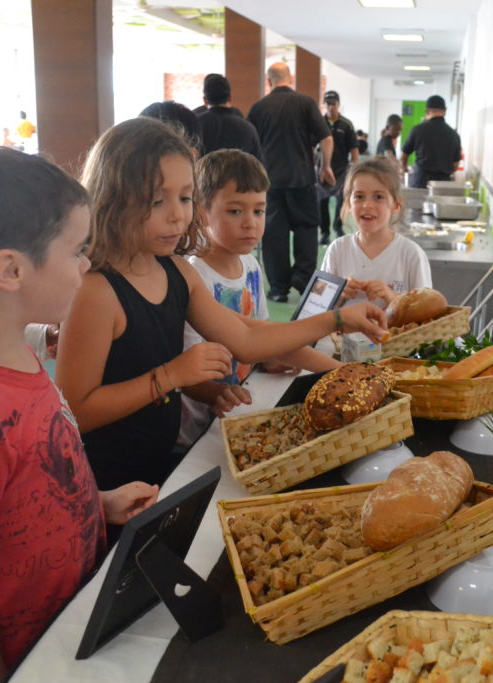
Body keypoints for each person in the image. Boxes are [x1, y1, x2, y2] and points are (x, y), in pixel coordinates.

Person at [0, 147, 160, 682]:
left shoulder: (18, 356)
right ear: (11, 270)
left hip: (65, 626)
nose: (87, 264)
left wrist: (97, 505)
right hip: (19, 658)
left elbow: (20, 493)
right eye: (75, 250)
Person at [54, 117, 386, 504]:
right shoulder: (96, 290)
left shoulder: (174, 270)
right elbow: (75, 410)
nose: (178, 215)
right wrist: (170, 375)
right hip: (107, 482)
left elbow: (246, 337)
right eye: (158, 201)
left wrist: (338, 319)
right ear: (113, 198)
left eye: (185, 197)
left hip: (163, 462)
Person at [178, 149, 342, 447]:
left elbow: (261, 335)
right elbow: (185, 371)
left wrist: (269, 360)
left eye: (259, 210)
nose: (250, 223)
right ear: (202, 213)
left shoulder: (252, 266)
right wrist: (214, 393)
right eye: (235, 211)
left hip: (243, 412)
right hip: (201, 427)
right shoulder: (195, 276)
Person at [247, 62, 334, 303]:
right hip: (301, 178)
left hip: (269, 183)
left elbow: (250, 145)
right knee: (306, 228)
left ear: (269, 81)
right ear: (290, 78)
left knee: (274, 234)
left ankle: (278, 289)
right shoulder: (305, 103)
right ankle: (304, 280)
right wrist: (325, 166)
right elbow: (326, 138)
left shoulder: (259, 107)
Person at [321, 157, 432, 306]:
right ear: (348, 204)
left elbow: (425, 312)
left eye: (378, 197)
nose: (367, 205)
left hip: (393, 330)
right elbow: (317, 307)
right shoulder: (337, 250)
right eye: (359, 197)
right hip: (345, 330)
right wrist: (337, 294)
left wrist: (392, 297)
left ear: (396, 206)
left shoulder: (411, 254)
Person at [318, 90, 359, 247]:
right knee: (322, 202)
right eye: (328, 104)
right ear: (325, 105)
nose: (331, 107)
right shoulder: (319, 122)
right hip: (322, 170)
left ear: (338, 104)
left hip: (341, 170)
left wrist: (354, 170)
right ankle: (324, 233)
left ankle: (338, 227)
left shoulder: (346, 124)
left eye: (334, 104)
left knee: (341, 200)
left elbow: (354, 149)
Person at [400, 95, 462, 189]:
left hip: (420, 182)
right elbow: (455, 165)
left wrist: (405, 170)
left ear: (427, 111)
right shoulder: (454, 135)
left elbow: (403, 157)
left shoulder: (417, 130)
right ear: (445, 112)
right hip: (443, 185)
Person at [196, 73, 263, 159]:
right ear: (230, 97)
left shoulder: (197, 126)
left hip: (203, 172)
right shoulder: (247, 128)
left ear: (205, 100)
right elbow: (257, 165)